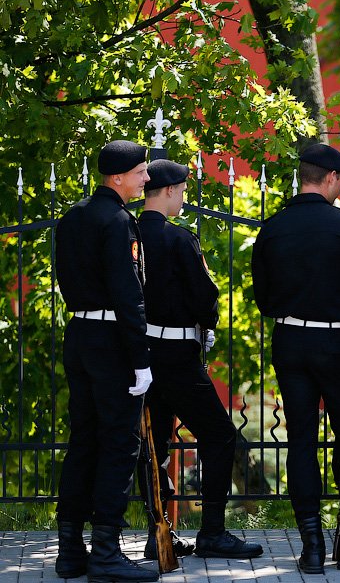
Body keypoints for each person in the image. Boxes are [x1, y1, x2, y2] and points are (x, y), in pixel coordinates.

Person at [251, 143, 340, 573]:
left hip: (290, 339)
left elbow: (263, 299)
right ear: (332, 178)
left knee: (301, 442)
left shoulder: (273, 227)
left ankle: (311, 545)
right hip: (338, 341)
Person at [135, 159, 262, 561]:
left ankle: (159, 531)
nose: (183, 198)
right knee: (220, 435)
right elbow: (204, 295)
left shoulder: (128, 235)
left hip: (141, 354)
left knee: (153, 444)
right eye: (183, 190)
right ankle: (212, 532)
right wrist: (207, 322)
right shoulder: (178, 238)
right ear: (170, 190)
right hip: (177, 355)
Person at [55, 140, 159, 582]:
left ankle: (69, 551)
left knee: (84, 441)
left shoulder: (73, 217)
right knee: (119, 444)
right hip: (112, 341)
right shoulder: (118, 221)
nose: (147, 179)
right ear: (117, 177)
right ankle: (105, 553)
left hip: (80, 334)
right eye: (140, 172)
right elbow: (128, 293)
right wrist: (141, 359)